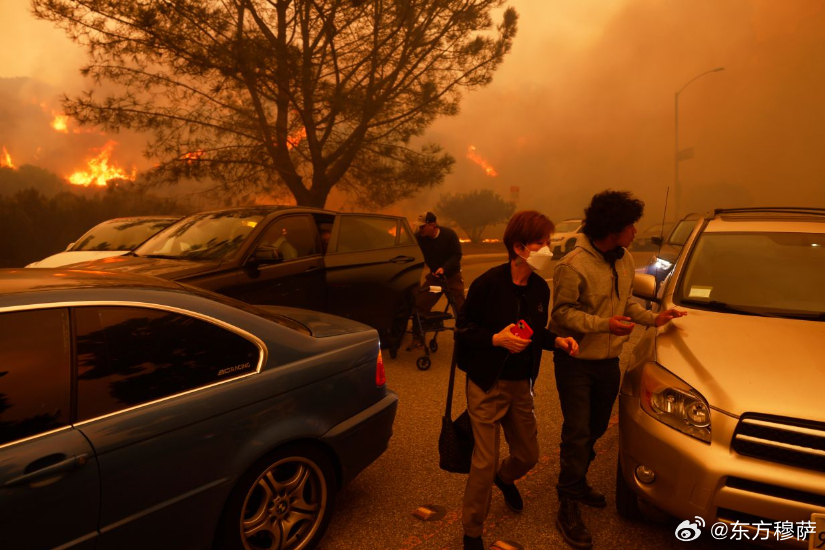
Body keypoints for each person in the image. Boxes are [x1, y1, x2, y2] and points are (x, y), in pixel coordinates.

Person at [551, 190, 686, 549]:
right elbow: (560, 315)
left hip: (608, 362)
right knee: (578, 431)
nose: (636, 231)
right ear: (613, 228)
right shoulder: (573, 265)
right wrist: (603, 325)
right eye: (630, 225)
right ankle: (567, 501)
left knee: (595, 428)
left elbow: (626, 301)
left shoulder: (624, 259)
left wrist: (654, 318)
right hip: (576, 362)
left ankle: (576, 481)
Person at [455, 210, 579, 550]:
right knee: (484, 461)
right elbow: (462, 328)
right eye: (543, 243)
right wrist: (495, 339)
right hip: (486, 383)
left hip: (521, 384)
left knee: (528, 455)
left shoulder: (539, 289)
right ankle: (472, 532)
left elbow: (536, 332)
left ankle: (504, 478)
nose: (549, 250)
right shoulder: (488, 284)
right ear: (521, 247)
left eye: (549, 243)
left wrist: (557, 341)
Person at [408, 211, 466, 350]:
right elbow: (410, 250)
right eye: (419, 227)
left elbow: (457, 255)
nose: (420, 229)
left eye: (423, 226)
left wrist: (444, 268)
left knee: (461, 308)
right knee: (420, 304)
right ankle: (418, 338)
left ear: (432, 225)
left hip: (452, 276)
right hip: (434, 277)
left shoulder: (449, 235)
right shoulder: (419, 238)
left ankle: (464, 338)